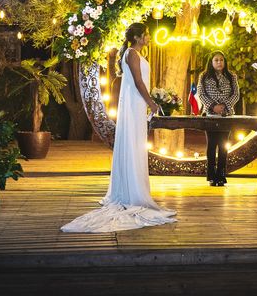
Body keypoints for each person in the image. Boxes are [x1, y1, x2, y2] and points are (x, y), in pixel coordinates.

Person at [61, 23, 176, 232]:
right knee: (133, 144)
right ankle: (132, 192)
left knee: (136, 144)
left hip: (136, 104)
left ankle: (134, 187)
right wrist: (151, 102)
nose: (149, 38)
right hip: (134, 104)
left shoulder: (134, 53)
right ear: (140, 37)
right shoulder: (132, 54)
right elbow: (139, 83)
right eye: (147, 34)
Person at [197, 51, 240, 187]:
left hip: (226, 115)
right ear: (211, 62)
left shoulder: (231, 76)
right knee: (211, 145)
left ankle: (221, 175)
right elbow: (201, 93)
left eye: (221, 60)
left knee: (223, 145)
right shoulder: (203, 76)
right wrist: (213, 106)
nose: (219, 62)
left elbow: (236, 94)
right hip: (210, 115)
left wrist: (224, 106)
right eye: (216, 60)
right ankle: (211, 175)